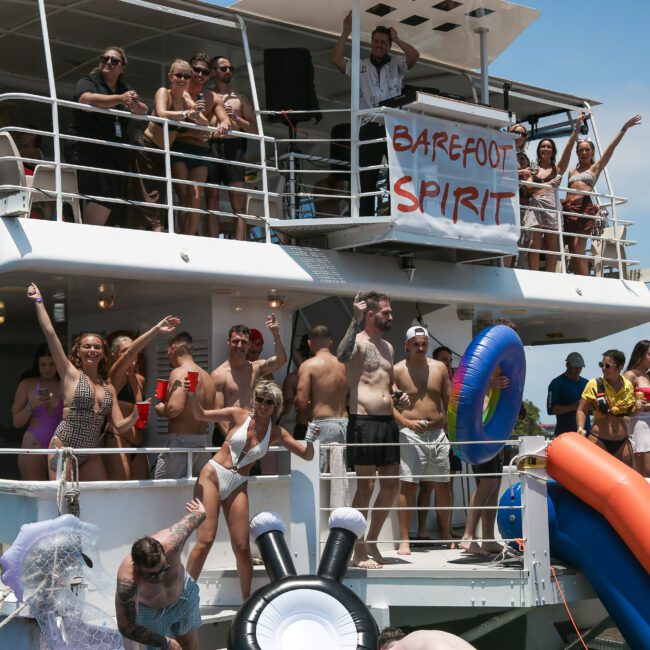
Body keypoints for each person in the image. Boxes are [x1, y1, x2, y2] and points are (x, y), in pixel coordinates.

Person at [184, 380, 318, 597]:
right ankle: (184, 597)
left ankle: (246, 602)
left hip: (238, 483)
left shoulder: (277, 432)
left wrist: (311, 438)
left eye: (269, 401)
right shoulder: (238, 414)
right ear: (254, 400)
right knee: (205, 540)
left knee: (244, 549)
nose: (263, 405)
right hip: (213, 475)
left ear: (276, 406)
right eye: (260, 399)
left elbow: (306, 454)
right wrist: (191, 393)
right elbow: (200, 414)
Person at [26, 283, 142, 481]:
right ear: (78, 351)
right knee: (65, 500)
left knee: (97, 497)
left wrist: (135, 415)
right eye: (87, 346)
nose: (92, 350)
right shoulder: (70, 373)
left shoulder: (108, 387)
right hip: (63, 447)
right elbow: (50, 333)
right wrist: (38, 301)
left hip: (91, 450)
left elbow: (120, 425)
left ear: (103, 353)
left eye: (97, 347)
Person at [337, 291, 408, 568]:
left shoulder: (388, 347)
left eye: (390, 312)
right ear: (370, 314)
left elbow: (388, 383)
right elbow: (341, 355)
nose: (391, 317)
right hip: (363, 420)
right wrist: (353, 321)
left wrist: (398, 394)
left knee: (391, 485)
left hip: (387, 422)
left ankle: (372, 541)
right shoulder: (356, 341)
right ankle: (357, 550)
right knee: (365, 486)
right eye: (386, 313)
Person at [331, 14, 419, 216]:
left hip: (393, 125)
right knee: (367, 178)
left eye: (384, 42)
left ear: (388, 45)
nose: (379, 45)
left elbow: (414, 56)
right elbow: (335, 59)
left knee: (398, 174)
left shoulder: (396, 64)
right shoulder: (361, 65)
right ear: (371, 43)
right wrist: (346, 31)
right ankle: (366, 218)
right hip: (369, 126)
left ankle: (400, 214)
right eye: (376, 41)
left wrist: (397, 39)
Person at [68, 46, 148, 226]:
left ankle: (93, 232)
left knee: (113, 195)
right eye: (105, 59)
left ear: (122, 68)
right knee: (106, 192)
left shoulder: (124, 88)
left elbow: (143, 111)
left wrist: (132, 101)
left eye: (114, 61)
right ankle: (88, 233)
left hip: (113, 154)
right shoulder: (89, 80)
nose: (108, 63)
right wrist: (120, 99)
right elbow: (85, 99)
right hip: (87, 149)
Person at [394, 327, 456, 554]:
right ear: (407, 345)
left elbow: (449, 401)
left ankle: (446, 532)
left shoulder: (439, 368)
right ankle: (404, 539)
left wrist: (453, 432)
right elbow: (389, 405)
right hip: (410, 434)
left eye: (424, 344)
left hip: (438, 434)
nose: (420, 348)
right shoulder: (397, 370)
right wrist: (406, 422)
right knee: (408, 486)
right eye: (416, 344)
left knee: (442, 486)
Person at [115, 498, 206, 650]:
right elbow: (127, 627)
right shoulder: (128, 581)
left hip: (183, 595)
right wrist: (167, 642)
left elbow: (201, 515)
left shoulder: (174, 541)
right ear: (136, 567)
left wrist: (199, 511)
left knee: (190, 645)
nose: (159, 577)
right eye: (151, 575)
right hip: (151, 611)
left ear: (165, 552)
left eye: (164, 569)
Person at [460, 319, 517, 556]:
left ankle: (487, 538)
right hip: (479, 429)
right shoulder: (485, 361)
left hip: (496, 430)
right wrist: (491, 383)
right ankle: (468, 536)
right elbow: (466, 387)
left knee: (494, 485)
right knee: (487, 482)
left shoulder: (506, 364)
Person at [126, 59, 204, 232]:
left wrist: (195, 112)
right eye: (178, 75)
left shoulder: (185, 98)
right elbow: (161, 113)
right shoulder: (164, 92)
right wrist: (187, 113)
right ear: (170, 76)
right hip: (147, 150)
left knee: (160, 199)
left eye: (186, 76)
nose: (182, 79)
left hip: (164, 154)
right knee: (144, 197)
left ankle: (157, 230)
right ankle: (147, 231)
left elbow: (204, 122)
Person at [104, 316, 181, 481]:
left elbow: (139, 415)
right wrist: (156, 329)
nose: (131, 354)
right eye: (124, 351)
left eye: (133, 351)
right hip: (118, 441)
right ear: (115, 356)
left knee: (143, 490)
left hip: (138, 444)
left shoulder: (140, 379)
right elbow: (130, 353)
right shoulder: (115, 377)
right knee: (121, 491)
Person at [563, 114, 642, 276]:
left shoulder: (595, 168)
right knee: (572, 248)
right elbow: (567, 189)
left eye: (587, 150)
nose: (584, 152)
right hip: (569, 208)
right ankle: (580, 277)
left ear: (592, 152)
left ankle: (584, 279)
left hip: (584, 206)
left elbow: (610, 149)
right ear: (577, 153)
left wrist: (624, 129)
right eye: (581, 150)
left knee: (579, 245)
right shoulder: (571, 171)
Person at [171, 52, 229, 236]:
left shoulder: (214, 97)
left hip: (202, 151)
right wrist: (193, 131)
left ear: (210, 75)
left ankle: (190, 236)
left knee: (196, 197)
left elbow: (225, 120)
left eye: (204, 71)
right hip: (179, 147)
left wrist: (223, 125)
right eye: (196, 70)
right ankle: (184, 236)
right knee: (184, 198)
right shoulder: (179, 90)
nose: (199, 74)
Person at [295, 325, 350, 507]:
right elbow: (350, 395)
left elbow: (301, 402)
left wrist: (310, 402)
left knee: (316, 478)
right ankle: (340, 521)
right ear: (331, 342)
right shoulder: (344, 365)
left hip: (322, 424)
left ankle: (318, 524)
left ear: (310, 343)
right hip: (344, 423)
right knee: (340, 479)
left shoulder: (308, 365)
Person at [522, 114, 584, 272]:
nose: (546, 149)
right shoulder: (532, 168)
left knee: (551, 244)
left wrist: (576, 127)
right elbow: (528, 189)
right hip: (535, 204)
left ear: (553, 151)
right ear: (539, 150)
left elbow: (569, 148)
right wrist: (548, 184)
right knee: (534, 244)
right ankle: (534, 274)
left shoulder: (557, 169)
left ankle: (550, 275)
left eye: (549, 147)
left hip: (551, 204)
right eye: (543, 146)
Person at [206, 55, 258, 241]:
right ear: (213, 72)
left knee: (237, 199)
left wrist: (236, 118)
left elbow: (254, 128)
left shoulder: (240, 98)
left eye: (230, 68)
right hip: (211, 145)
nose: (228, 71)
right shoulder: (207, 94)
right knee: (211, 196)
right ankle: (213, 239)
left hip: (234, 147)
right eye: (223, 68)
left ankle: (240, 242)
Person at [211, 317, 287, 444]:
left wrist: (276, 335)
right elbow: (218, 415)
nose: (239, 346)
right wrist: (234, 439)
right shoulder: (219, 374)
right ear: (228, 342)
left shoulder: (256, 368)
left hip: (250, 434)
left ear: (249, 344)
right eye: (235, 341)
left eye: (244, 342)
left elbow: (281, 360)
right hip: (226, 437)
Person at [154, 331, 216, 479]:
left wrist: (161, 409)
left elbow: (174, 409)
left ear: (173, 349)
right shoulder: (207, 377)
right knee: (194, 493)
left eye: (168, 351)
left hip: (181, 444)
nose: (168, 356)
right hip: (202, 442)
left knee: (164, 490)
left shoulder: (179, 372)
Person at [576, 349, 636, 467]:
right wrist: (580, 429)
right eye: (601, 365)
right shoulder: (594, 384)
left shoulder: (628, 385)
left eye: (607, 366)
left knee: (625, 479)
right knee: (594, 481)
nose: (603, 368)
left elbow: (630, 412)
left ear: (619, 367)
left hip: (622, 441)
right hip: (599, 440)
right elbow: (582, 409)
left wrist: (639, 408)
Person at [11, 344, 63, 480]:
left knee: (61, 491)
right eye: (43, 364)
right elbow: (16, 422)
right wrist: (31, 405)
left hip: (60, 444)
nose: (47, 368)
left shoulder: (66, 384)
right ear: (37, 364)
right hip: (34, 442)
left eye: (51, 364)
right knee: (35, 494)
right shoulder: (27, 384)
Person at [547, 352, 591, 437]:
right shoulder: (556, 383)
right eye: (575, 367)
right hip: (565, 434)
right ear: (567, 365)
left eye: (580, 367)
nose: (578, 370)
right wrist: (573, 407)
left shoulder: (586, 383)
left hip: (586, 434)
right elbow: (551, 410)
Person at [624, 340, 650, 476]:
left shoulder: (647, 375)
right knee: (645, 471)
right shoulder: (631, 375)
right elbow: (623, 402)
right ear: (640, 355)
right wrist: (640, 405)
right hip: (639, 422)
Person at [279, 334, 311, 440]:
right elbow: (285, 410)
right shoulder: (292, 378)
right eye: (308, 356)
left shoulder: (326, 374)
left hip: (319, 425)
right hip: (299, 427)